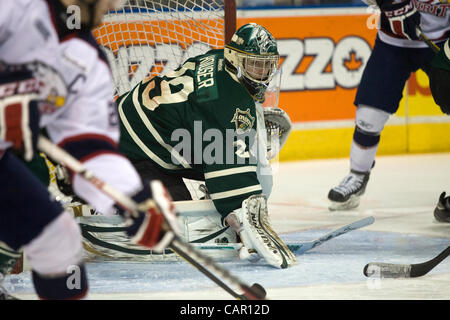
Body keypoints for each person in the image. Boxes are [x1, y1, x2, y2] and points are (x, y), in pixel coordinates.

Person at [0, 0, 178, 300]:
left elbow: (88, 145)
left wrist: (132, 197)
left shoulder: (86, 58)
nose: (116, 5)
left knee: (58, 240)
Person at [114, 23, 296, 269]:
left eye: (266, 65)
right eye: (255, 64)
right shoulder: (227, 102)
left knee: (211, 175)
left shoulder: (220, 59)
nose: (261, 73)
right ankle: (102, 200)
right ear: (235, 58)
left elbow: (206, 124)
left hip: (141, 131)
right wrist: (246, 224)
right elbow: (236, 190)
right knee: (187, 227)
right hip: (127, 149)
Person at [327, 0, 450, 211]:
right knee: (369, 113)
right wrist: (391, 3)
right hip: (393, 43)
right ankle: (357, 175)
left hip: (443, 44)